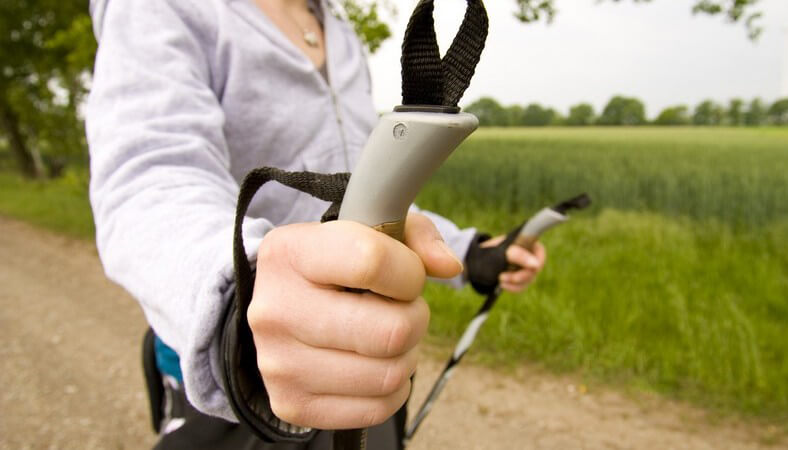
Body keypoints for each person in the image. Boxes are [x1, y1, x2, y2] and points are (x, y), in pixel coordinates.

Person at [86, 0, 546, 448]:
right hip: (239, 372)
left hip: (360, 362)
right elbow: (149, 174)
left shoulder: (339, 31)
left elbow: (372, 189)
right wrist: (240, 298)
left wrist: (468, 251)